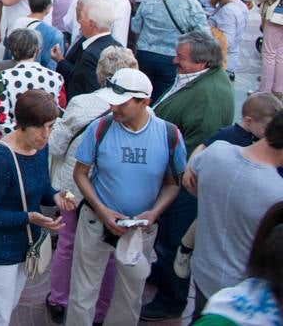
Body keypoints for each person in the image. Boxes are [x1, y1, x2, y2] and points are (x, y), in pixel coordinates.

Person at [67, 68, 186, 326]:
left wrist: (153, 214)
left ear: (145, 102)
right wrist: (101, 209)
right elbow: (80, 173)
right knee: (82, 292)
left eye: (121, 103)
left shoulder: (170, 135)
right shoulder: (101, 127)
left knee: (130, 296)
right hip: (95, 222)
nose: (114, 108)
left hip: (140, 230)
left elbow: (172, 184)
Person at [144, 30, 236, 322]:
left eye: (181, 57)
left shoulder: (208, 96)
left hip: (184, 183)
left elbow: (197, 144)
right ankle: (164, 276)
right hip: (176, 175)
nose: (174, 60)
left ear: (201, 62)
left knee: (173, 239)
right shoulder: (200, 80)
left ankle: (171, 300)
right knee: (168, 239)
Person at [46, 46, 138, 325]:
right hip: (111, 192)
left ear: (101, 73)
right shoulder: (140, 111)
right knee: (108, 252)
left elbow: (56, 143)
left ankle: (59, 299)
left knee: (67, 243)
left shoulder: (82, 103)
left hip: (73, 186)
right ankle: (100, 309)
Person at [0, 90, 74, 326]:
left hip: (24, 247)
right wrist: (29, 218)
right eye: (42, 128)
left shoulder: (40, 148)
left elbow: (41, 188)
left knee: (6, 310)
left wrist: (57, 195)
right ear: (23, 125)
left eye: (51, 126)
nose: (46, 134)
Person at [185, 110, 283, 321]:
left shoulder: (216, 152)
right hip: (242, 292)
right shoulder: (277, 192)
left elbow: (191, 177)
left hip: (203, 272)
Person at [131, 0, 209, 101]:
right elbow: (204, 35)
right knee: (163, 99)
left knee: (140, 96)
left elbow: (135, 27)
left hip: (145, 55)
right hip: (173, 58)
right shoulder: (192, 4)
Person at [0, 30, 64, 140]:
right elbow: (57, 113)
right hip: (40, 139)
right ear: (38, 50)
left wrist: (16, 139)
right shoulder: (56, 78)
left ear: (12, 50)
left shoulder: (4, 77)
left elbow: (1, 116)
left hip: (9, 141)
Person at [52, 0, 122, 101]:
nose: (79, 21)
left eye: (82, 17)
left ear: (91, 23)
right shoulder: (118, 46)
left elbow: (90, 93)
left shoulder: (90, 54)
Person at [208, 0, 248, 79]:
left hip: (222, 65)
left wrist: (207, 31)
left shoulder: (228, 11)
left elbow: (226, 42)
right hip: (229, 61)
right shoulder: (239, 5)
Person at [255, 0, 283, 96]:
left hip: (276, 15)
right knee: (280, 53)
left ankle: (264, 91)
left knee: (269, 53)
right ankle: (278, 88)